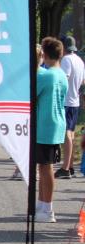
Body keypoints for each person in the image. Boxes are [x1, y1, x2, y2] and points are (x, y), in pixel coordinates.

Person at [35, 37, 68, 222]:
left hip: (45, 124)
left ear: (44, 54)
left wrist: (35, 65)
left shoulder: (46, 75)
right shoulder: (61, 74)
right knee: (43, 166)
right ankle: (42, 204)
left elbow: (31, 94)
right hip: (55, 123)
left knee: (46, 167)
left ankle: (48, 209)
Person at [55, 35, 85, 178]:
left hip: (66, 101)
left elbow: (64, 79)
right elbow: (83, 81)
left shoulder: (66, 60)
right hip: (75, 101)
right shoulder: (79, 60)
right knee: (71, 133)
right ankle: (71, 165)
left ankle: (65, 168)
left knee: (66, 133)